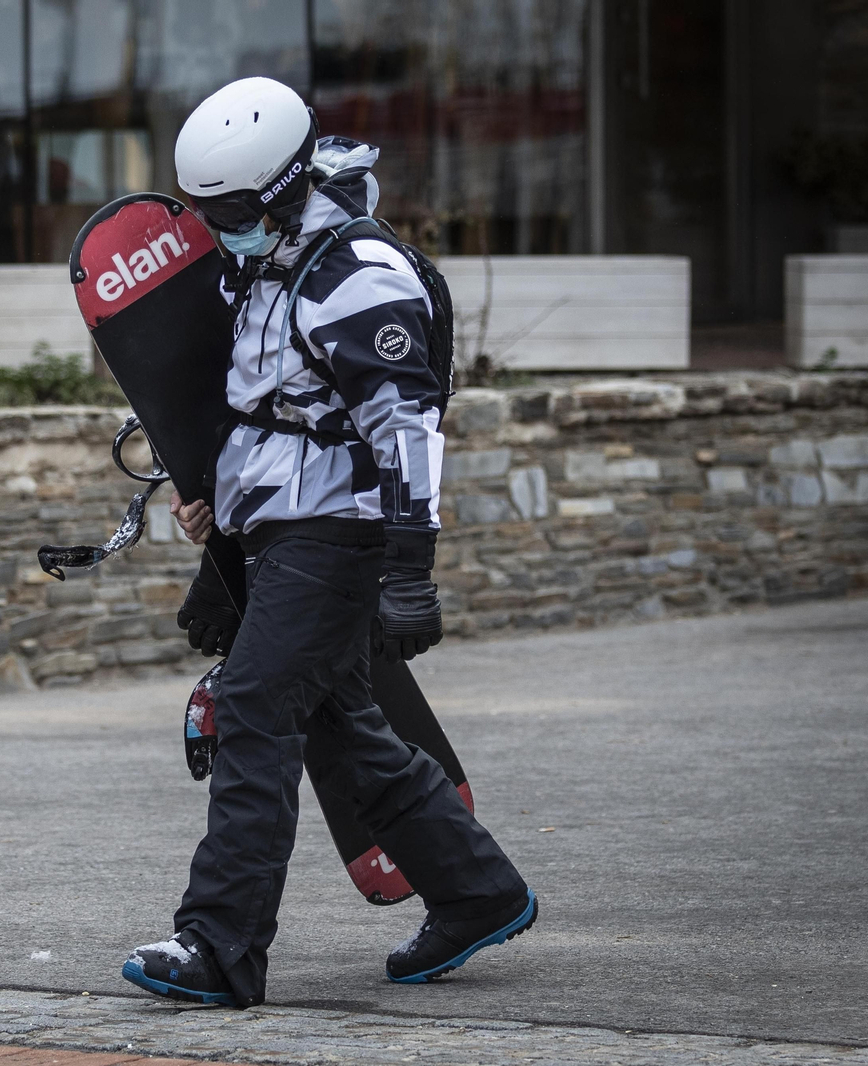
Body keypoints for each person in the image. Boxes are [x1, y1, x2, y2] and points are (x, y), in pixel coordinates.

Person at [120, 78, 536, 1008]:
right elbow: (268, 413)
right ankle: (479, 893)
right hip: (286, 531)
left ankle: (220, 948)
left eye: (228, 211)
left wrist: (411, 568)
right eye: (204, 211)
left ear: (279, 188)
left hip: (338, 537)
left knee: (257, 712)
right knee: (344, 733)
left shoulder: (358, 276)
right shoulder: (270, 260)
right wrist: (219, 508)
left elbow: (406, 427)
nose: (214, 228)